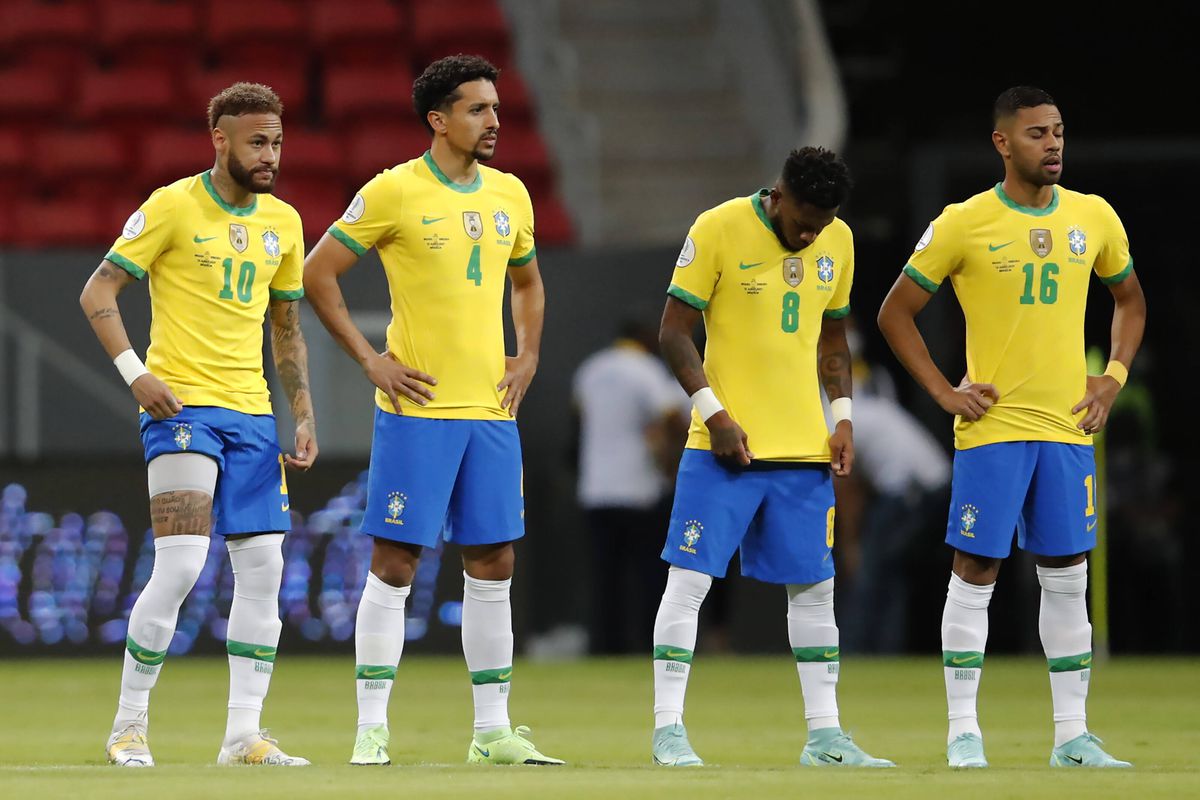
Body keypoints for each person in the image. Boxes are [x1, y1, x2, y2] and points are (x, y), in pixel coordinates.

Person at [302, 55, 562, 767]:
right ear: (438, 119)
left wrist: (528, 354)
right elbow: (316, 273)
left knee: (494, 559)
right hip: (418, 411)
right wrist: (369, 359)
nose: (495, 121)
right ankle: (372, 728)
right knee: (395, 563)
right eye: (478, 109)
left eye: (497, 109)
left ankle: (492, 731)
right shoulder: (393, 191)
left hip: (490, 412)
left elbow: (529, 285)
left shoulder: (512, 194)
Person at [877, 86, 1146, 769]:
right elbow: (895, 312)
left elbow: (1130, 301)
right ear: (1002, 143)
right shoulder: (964, 222)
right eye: (1036, 134)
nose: (1053, 143)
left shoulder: (1094, 216)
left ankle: (1072, 738)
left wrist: (1111, 378)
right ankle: (964, 731)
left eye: (1058, 131)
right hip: (993, 431)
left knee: (1066, 574)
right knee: (976, 569)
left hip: (1066, 430)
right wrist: (943, 391)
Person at [79, 83, 316, 767]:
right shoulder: (172, 206)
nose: (270, 154)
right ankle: (128, 728)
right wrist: (135, 374)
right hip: (183, 410)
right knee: (182, 565)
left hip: (251, 416)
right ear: (220, 139)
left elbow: (287, 328)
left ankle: (243, 735)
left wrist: (300, 413)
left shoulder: (286, 222)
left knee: (265, 568)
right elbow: (97, 290)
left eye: (276, 141)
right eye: (256, 142)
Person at [649, 147, 893, 768]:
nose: (811, 233)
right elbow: (674, 330)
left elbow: (833, 338)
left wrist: (841, 419)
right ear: (779, 195)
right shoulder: (717, 227)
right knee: (689, 583)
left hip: (804, 452)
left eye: (823, 221)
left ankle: (826, 737)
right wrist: (716, 416)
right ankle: (668, 731)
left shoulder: (837, 239)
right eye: (803, 220)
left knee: (814, 591)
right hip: (724, 448)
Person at [572, 319, 689, 654]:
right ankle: (648, 644)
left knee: (605, 576)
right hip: (640, 488)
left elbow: (580, 421)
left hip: (596, 488)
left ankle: (605, 646)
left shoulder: (590, 370)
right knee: (648, 575)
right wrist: (671, 467)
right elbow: (670, 420)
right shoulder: (647, 371)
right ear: (644, 338)